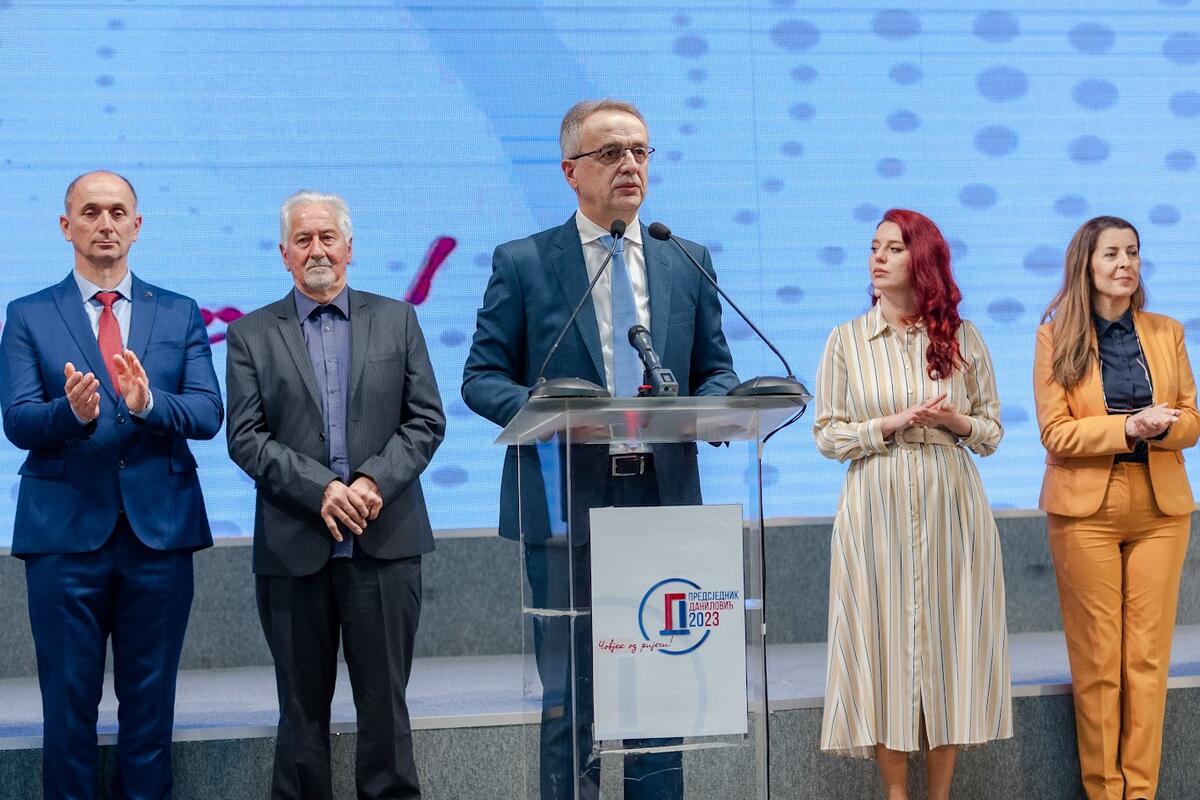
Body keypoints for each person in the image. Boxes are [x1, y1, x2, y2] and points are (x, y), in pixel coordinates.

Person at [461, 99, 737, 800]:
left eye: (640, 151)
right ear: (570, 171)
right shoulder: (525, 262)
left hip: (662, 502)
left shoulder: (684, 259)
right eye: (611, 153)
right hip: (566, 503)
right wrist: (550, 417)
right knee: (571, 700)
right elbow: (482, 377)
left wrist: (704, 410)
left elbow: (717, 372)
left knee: (661, 694)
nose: (630, 166)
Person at [0, 170, 224, 798]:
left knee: (150, 713)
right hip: (63, 537)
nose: (105, 224)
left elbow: (208, 411)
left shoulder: (179, 311)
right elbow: (18, 420)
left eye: (118, 212)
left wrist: (150, 404)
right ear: (66, 226)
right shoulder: (27, 315)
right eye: (91, 212)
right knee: (67, 711)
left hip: (160, 536)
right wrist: (70, 413)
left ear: (137, 226)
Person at [224, 191, 445, 800]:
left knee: (386, 715)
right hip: (294, 545)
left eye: (327, 237)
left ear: (350, 247)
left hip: (384, 541)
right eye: (303, 239)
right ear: (284, 254)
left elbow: (426, 420)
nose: (316, 249)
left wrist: (372, 482)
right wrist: (321, 489)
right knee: (300, 716)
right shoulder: (249, 334)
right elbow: (245, 438)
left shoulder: (398, 319)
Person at [812, 209, 1012, 800]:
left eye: (893, 248)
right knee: (882, 644)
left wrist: (954, 421)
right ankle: (895, 793)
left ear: (921, 259)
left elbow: (992, 432)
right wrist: (889, 424)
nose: (877, 258)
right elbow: (827, 434)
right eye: (874, 247)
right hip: (876, 503)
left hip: (951, 502)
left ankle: (939, 794)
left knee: (949, 645)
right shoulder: (846, 339)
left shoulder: (963, 338)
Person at [1033, 215, 1198, 800]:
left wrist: (1162, 427)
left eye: (1133, 252)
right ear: (1086, 264)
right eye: (1111, 254)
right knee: (1099, 664)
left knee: (1147, 661)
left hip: (1160, 507)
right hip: (1086, 512)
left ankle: (1141, 792)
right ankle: (1105, 792)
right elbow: (1056, 432)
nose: (1125, 263)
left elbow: (1192, 420)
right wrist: (1128, 426)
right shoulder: (1055, 337)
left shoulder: (1166, 331)